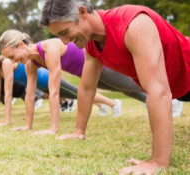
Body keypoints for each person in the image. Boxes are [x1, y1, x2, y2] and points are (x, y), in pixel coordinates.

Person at [39, 1, 190, 174]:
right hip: (180, 88)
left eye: (65, 32)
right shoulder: (92, 45)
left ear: (82, 13)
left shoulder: (133, 24)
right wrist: (78, 131)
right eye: (59, 36)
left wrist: (157, 161)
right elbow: (87, 88)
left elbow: (158, 91)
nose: (65, 42)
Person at [0, 30, 126, 135]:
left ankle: (117, 103)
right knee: (126, 88)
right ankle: (116, 103)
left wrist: (53, 129)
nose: (13, 62)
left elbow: (54, 92)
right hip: (84, 74)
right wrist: (27, 126)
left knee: (132, 86)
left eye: (11, 56)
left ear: (21, 45)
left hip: (100, 66)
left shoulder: (49, 48)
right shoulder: (30, 65)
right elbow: (30, 96)